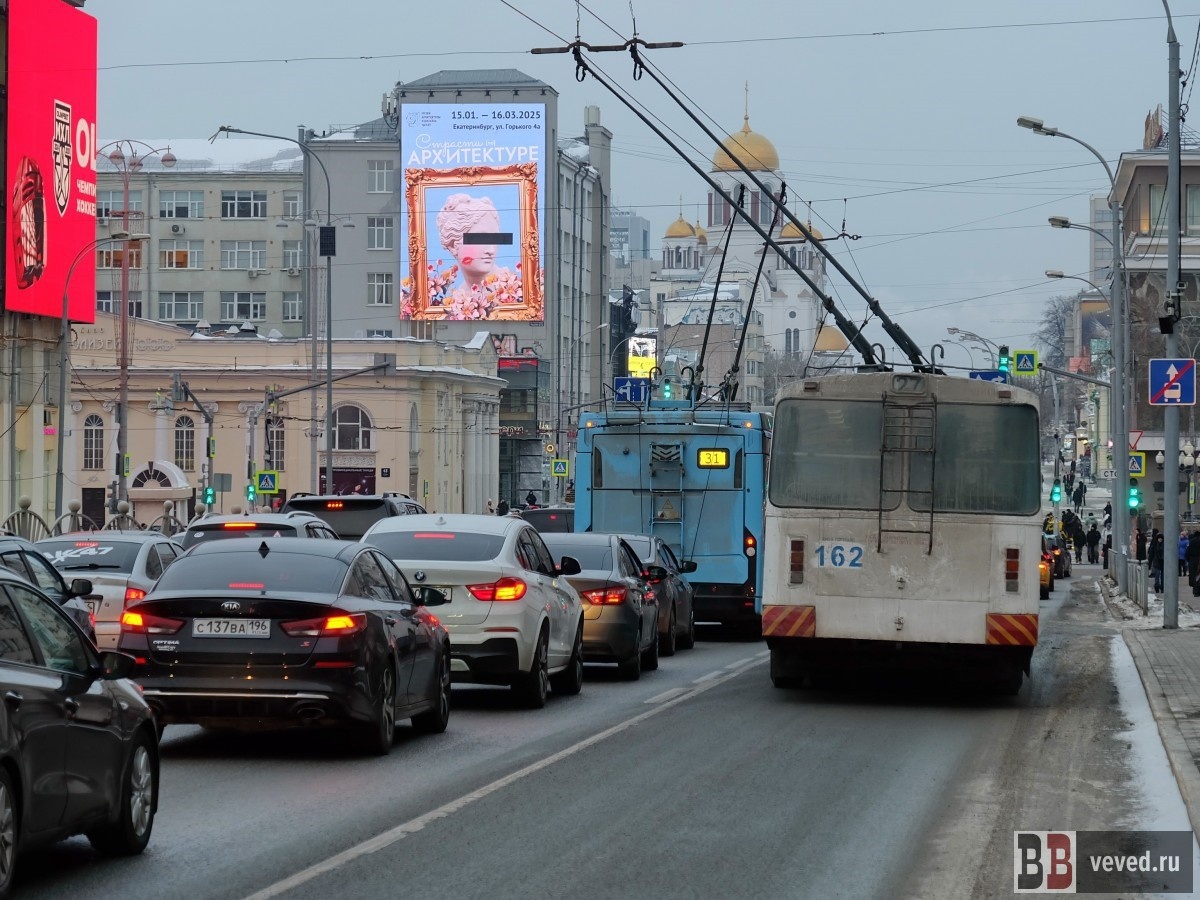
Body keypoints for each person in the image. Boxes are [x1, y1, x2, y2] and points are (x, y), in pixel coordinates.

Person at [1188, 531, 1200, 597]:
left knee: (1194, 576)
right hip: (1199, 560)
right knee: (1198, 575)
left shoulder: (1191, 542)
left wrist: (1189, 560)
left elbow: (1187, 552)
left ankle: (1195, 591)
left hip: (1192, 561)